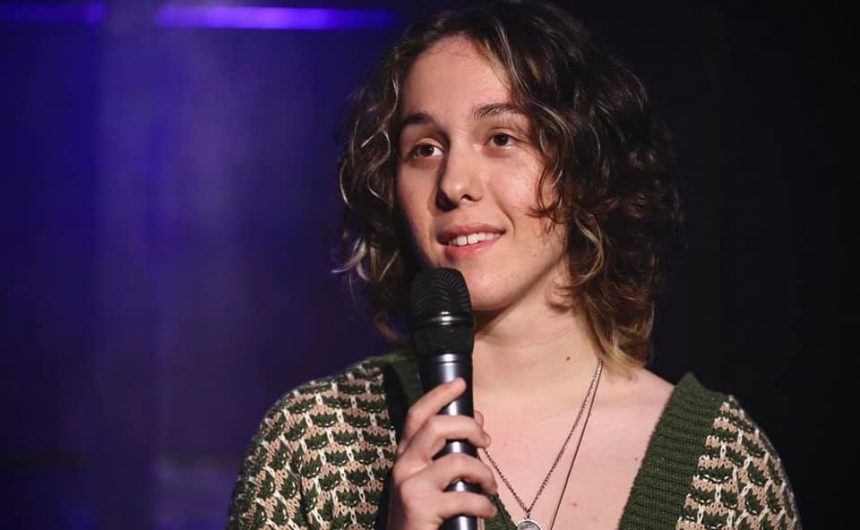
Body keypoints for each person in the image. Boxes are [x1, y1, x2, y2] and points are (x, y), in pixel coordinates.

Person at [227, 2, 802, 529]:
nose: (454, 183)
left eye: (501, 138)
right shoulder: (316, 443)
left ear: (586, 167)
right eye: (424, 149)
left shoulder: (723, 466)